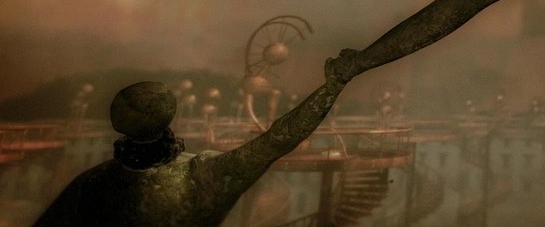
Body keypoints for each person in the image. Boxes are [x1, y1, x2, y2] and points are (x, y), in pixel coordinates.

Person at [33, 63, 349, 227]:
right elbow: (278, 139)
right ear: (168, 114)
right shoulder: (203, 174)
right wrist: (333, 86)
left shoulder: (92, 185)